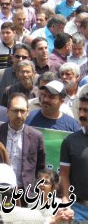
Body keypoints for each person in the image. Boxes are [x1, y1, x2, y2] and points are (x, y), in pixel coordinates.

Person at [0, 93, 46, 197]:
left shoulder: (36, 137)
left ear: (28, 112)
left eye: (22, 111)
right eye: (15, 111)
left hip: (25, 193)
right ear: (7, 112)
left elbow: (40, 168)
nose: (19, 115)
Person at [60, 92, 88, 221]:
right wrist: (66, 200)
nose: (81, 114)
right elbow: (64, 175)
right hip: (78, 209)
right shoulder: (69, 141)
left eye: (86, 110)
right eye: (80, 110)